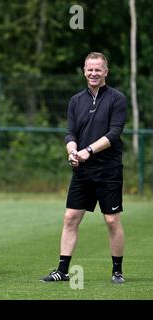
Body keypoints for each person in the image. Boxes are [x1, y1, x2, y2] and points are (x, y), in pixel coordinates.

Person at [41, 52, 127, 284]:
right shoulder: (75, 100)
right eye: (90, 69)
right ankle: (62, 270)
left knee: (111, 220)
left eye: (98, 69)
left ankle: (117, 271)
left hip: (108, 170)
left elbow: (114, 133)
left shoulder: (117, 99)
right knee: (70, 218)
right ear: (84, 71)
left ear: (106, 72)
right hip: (82, 172)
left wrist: (87, 151)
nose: (93, 73)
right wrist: (72, 152)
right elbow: (70, 133)